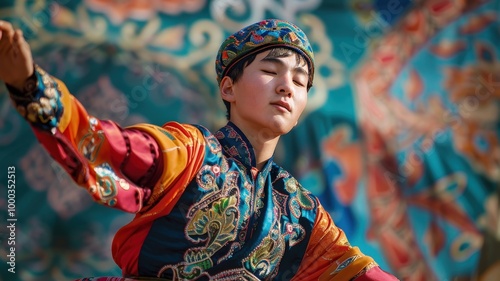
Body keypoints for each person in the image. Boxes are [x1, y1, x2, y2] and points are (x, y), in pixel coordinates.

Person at [0, 19, 399, 280]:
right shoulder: (193, 153)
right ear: (229, 88)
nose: (286, 86)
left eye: (300, 81)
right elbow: (109, 145)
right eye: (270, 70)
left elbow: (361, 273)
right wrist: (31, 87)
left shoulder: (300, 211)